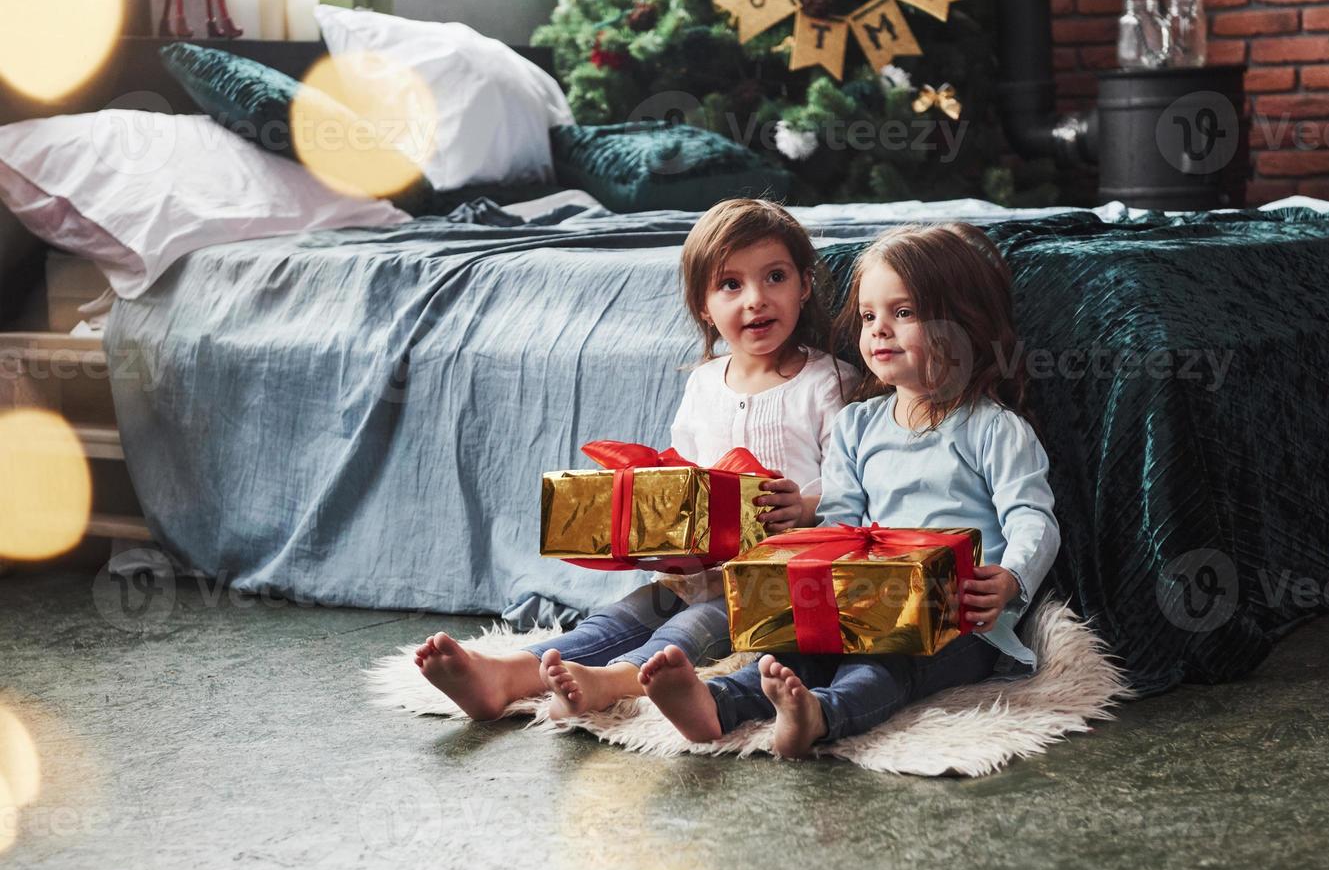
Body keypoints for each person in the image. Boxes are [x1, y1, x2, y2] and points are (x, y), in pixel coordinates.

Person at [414, 198, 855, 720]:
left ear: (804, 285)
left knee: (699, 624)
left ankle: (618, 681)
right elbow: (686, 479)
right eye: (730, 285)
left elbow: (855, 483)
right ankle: (506, 674)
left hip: (780, 577)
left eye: (774, 277)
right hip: (701, 567)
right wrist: (659, 535)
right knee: (626, 613)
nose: (755, 300)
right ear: (702, 306)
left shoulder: (828, 382)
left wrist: (804, 506)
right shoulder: (703, 383)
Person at [639, 222, 1060, 758]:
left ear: (964, 326)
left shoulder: (993, 428)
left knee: (886, 663)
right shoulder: (860, 425)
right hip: (866, 600)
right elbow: (839, 522)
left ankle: (821, 715)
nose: (879, 330)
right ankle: (714, 703)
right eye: (868, 317)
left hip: (960, 619)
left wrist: (1011, 579)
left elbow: (1033, 518)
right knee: (796, 650)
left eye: (902, 313)